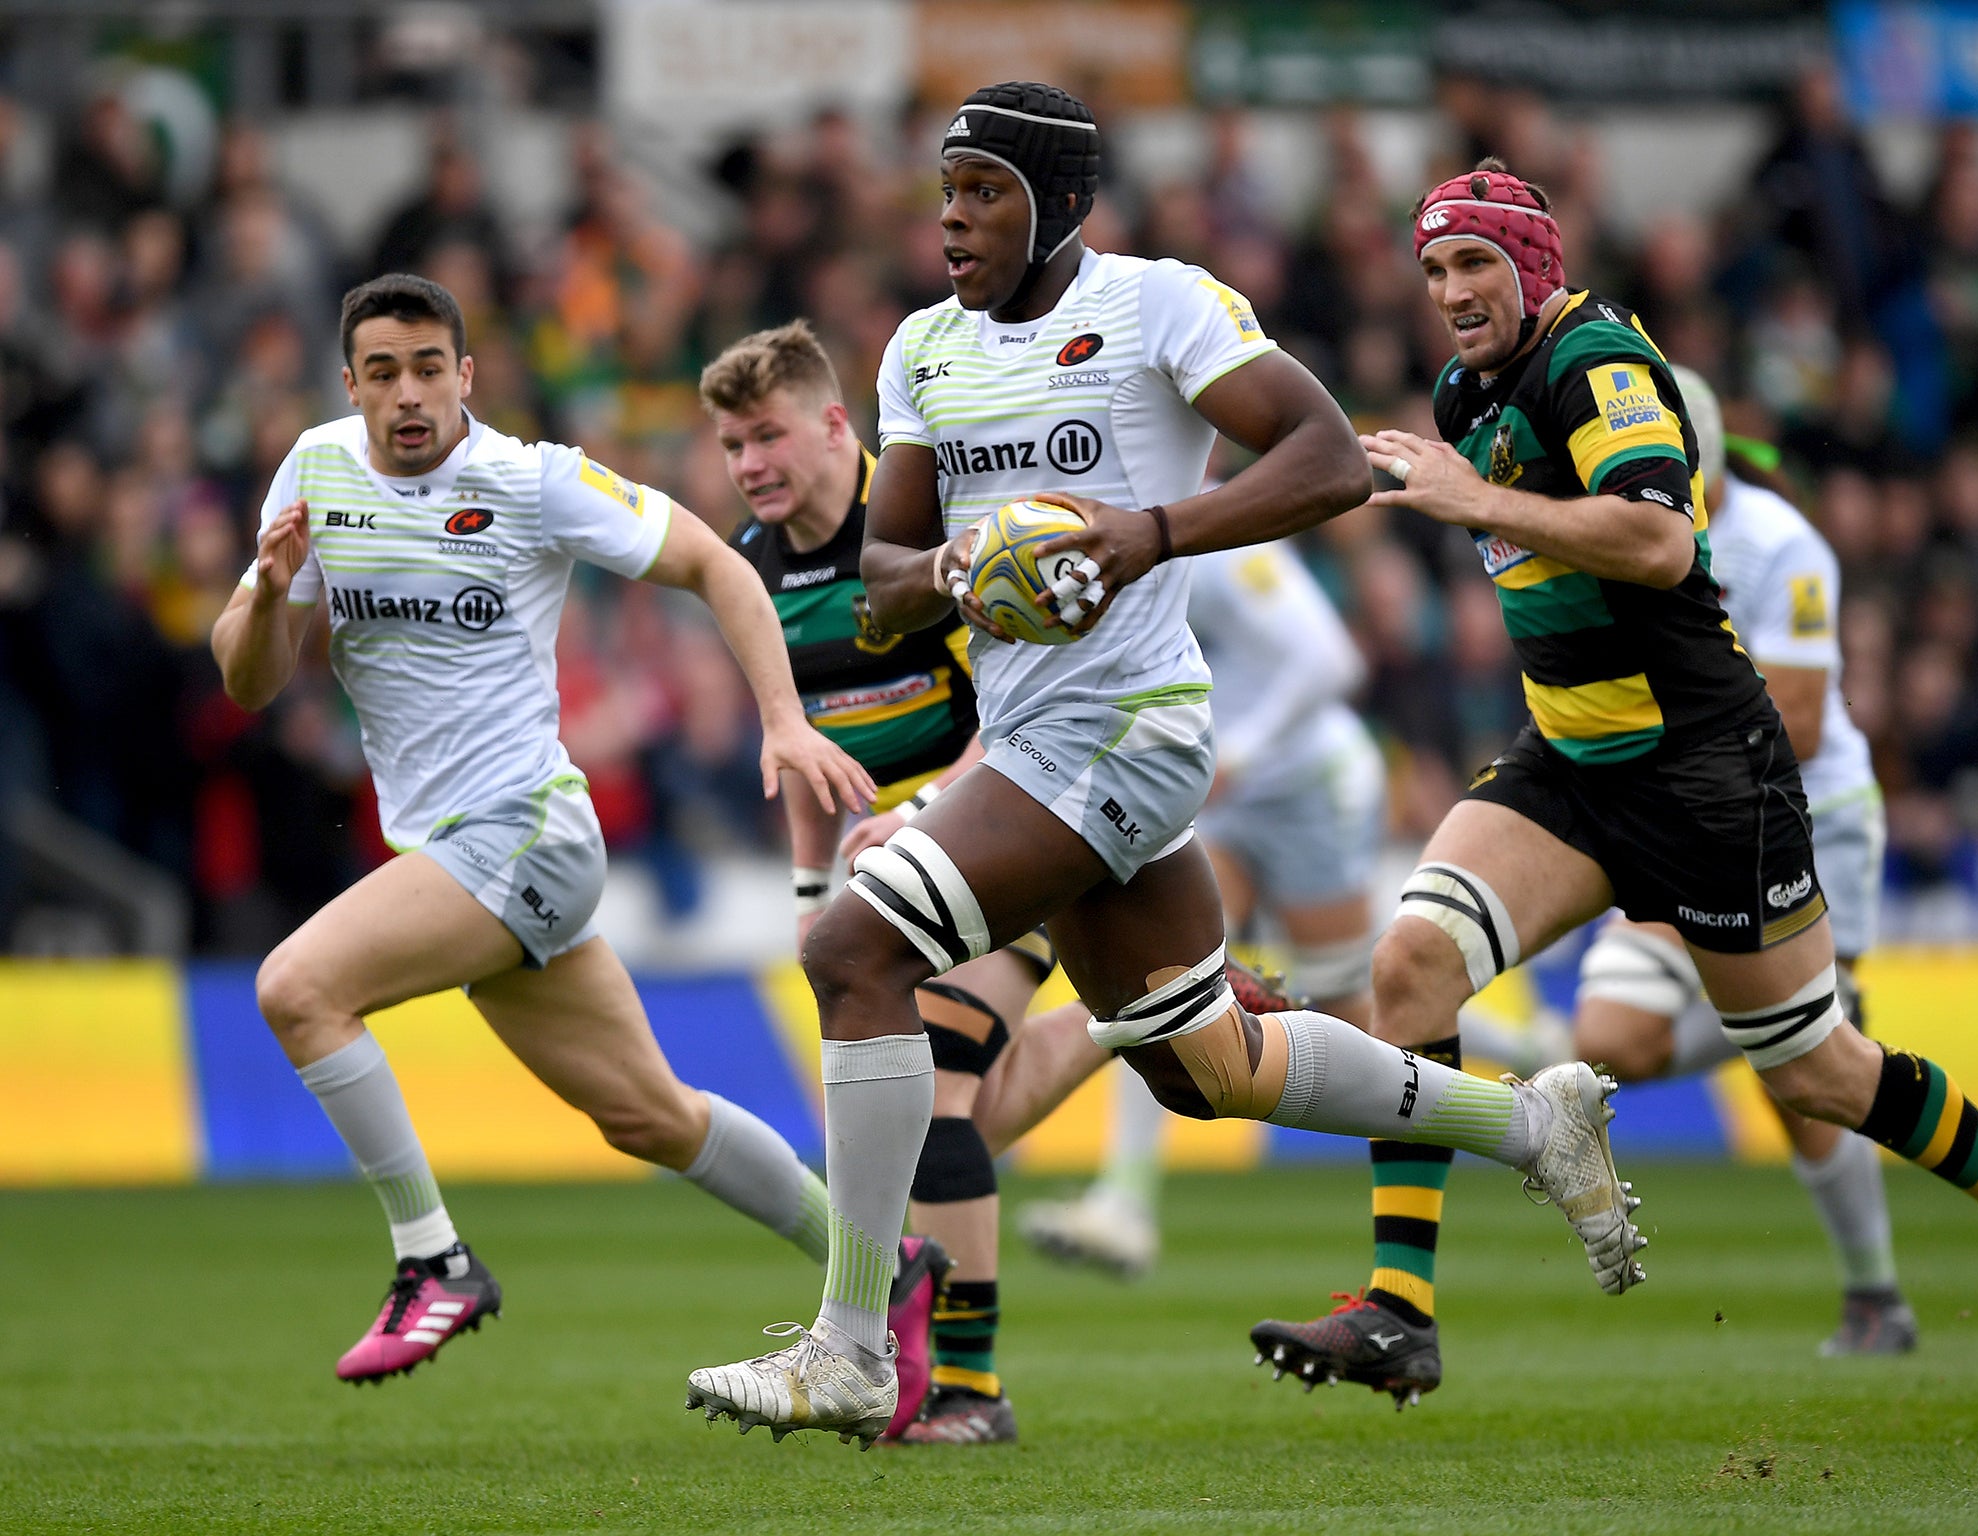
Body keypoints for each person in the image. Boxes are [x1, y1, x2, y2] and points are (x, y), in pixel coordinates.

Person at [685, 85, 1645, 1450]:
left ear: (1064, 203)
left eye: (986, 192)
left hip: (1128, 728)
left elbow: (1325, 461)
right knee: (1209, 1067)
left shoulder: (1161, 306)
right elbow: (882, 585)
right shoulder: (921, 355)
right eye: (945, 191)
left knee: (852, 952)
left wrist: (1149, 532)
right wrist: (962, 569)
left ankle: (849, 1345)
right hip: (1029, 740)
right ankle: (1529, 1127)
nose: (953, 218)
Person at [1251, 159, 1978, 1409]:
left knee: (1817, 1074)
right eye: (1432, 269)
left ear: (1533, 266)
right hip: (1569, 759)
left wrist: (1473, 496)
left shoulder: (1597, 361)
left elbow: (1658, 539)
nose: (1450, 289)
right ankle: (1399, 1310)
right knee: (1409, 962)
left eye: (1474, 262)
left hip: (1699, 770)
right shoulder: (1465, 396)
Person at [210, 273, 875, 1386]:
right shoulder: (316, 471)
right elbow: (247, 681)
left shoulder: (529, 482)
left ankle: (433, 1260)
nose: (408, 394)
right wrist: (271, 597)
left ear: (466, 376)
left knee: (297, 988)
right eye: (383, 373)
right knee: (652, 1116)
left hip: (523, 833)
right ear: (352, 387)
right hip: (453, 853)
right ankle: (880, 1269)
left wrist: (779, 719)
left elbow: (714, 562)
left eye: (429, 368)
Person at [704, 317, 1101, 1443]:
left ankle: (971, 1390)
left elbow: (1019, 709)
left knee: (939, 1081)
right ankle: (1135, 1027)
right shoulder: (751, 571)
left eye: (768, 436)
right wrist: (799, 893)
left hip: (1010, 828)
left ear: (838, 425)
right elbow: (800, 749)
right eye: (732, 447)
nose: (750, 467)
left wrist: (929, 812)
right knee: (953, 1107)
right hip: (883, 877)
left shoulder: (928, 528)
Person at [1571, 367, 1915, 1356]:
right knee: (1608, 1037)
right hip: (1684, 812)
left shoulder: (1778, 546)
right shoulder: (1609, 530)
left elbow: (1798, 725)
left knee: (1801, 1076)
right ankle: (1799, 1019)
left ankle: (1874, 1295)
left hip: (1806, 817)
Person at [1018, 536, 1385, 1277]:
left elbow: (1333, 660)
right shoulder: (1107, 551)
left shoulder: (1219, 549)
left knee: (1355, 1015)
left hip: (1309, 787)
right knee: (1163, 969)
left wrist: (1243, 750)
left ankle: (1529, 1060)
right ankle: (1123, 1204)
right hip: (1214, 794)